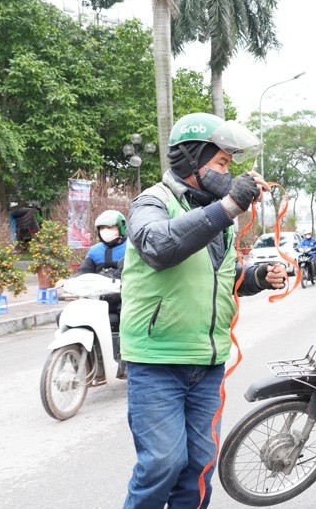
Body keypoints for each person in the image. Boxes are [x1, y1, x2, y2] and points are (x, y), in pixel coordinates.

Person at [119, 112, 289, 509]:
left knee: (198, 465)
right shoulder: (151, 203)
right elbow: (160, 247)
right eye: (222, 163)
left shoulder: (219, 219)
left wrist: (259, 277)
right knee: (162, 462)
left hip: (206, 363)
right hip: (157, 361)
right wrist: (230, 205)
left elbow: (220, 277)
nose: (228, 174)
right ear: (191, 159)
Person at [71, 210, 128, 279]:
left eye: (110, 227)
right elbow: (83, 272)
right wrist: (69, 281)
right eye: (102, 228)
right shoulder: (95, 250)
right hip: (100, 288)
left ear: (121, 228)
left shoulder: (131, 248)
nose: (105, 231)